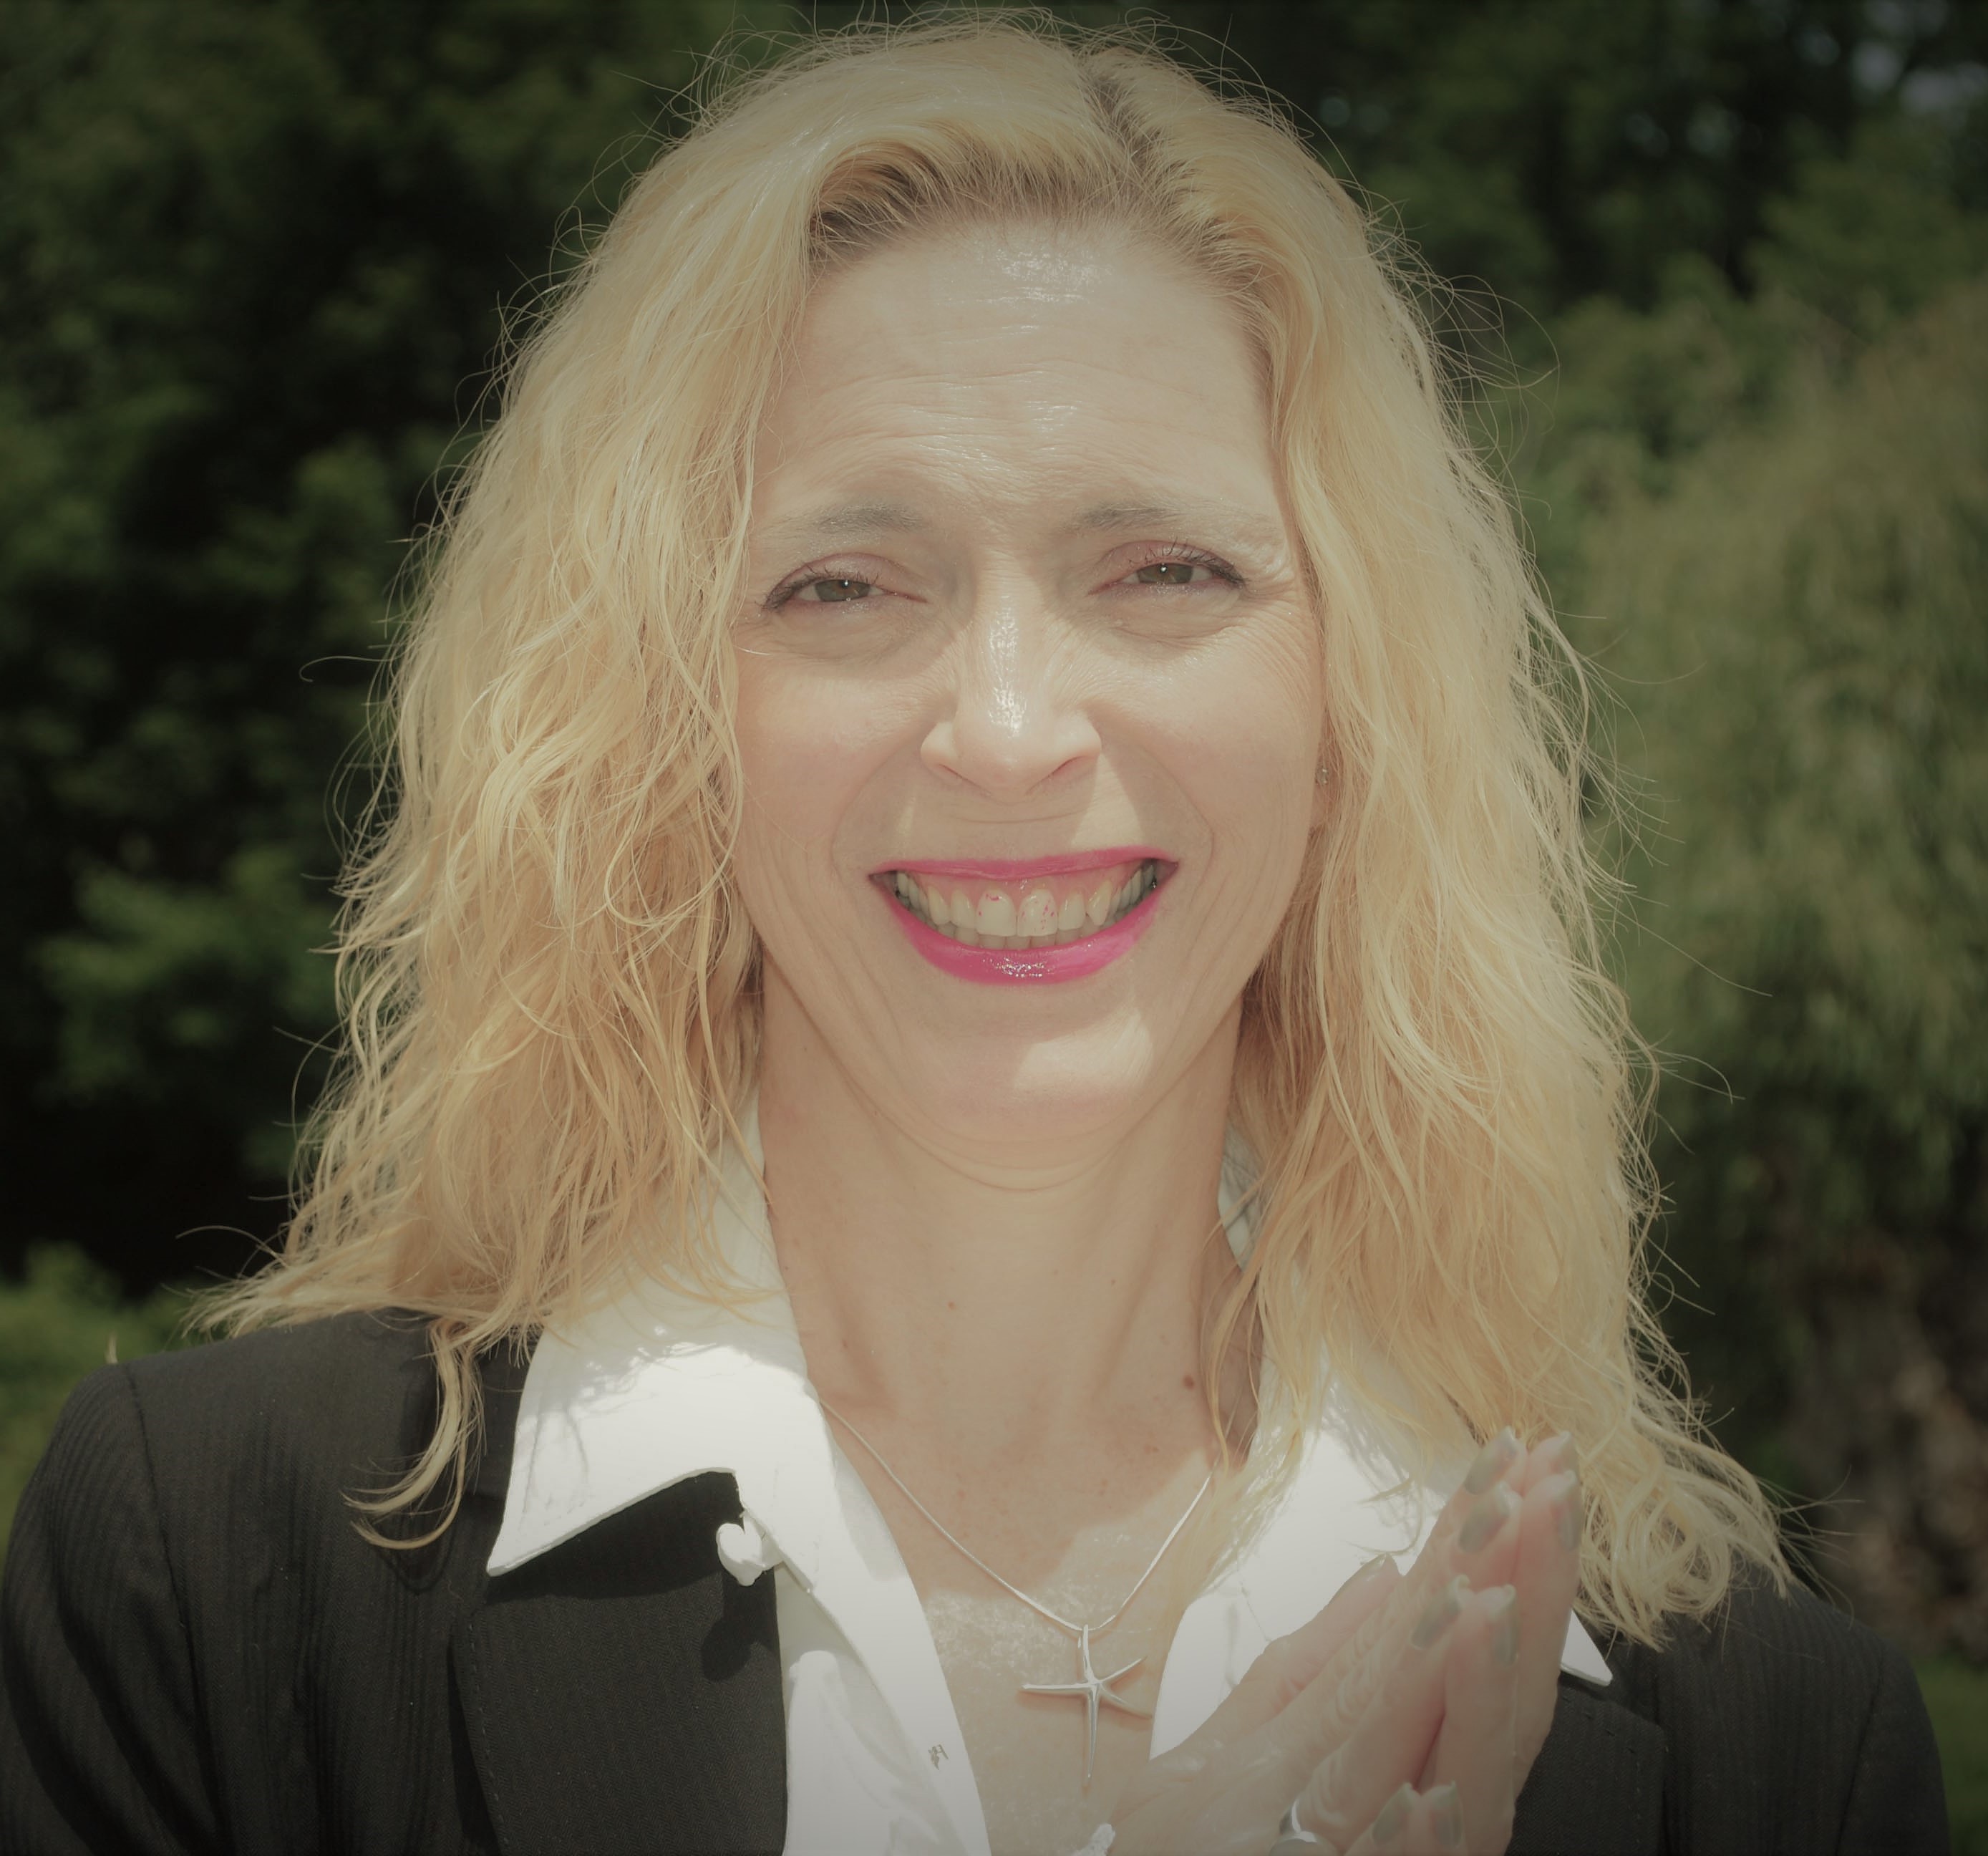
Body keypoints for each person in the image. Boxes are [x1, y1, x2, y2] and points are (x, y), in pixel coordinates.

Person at [0, 16, 1947, 1856]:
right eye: (843, 586)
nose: (1009, 733)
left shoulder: (1771, 1755)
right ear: (660, 719)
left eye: (1165, 570)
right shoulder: (214, 1577)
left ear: (1350, 713)